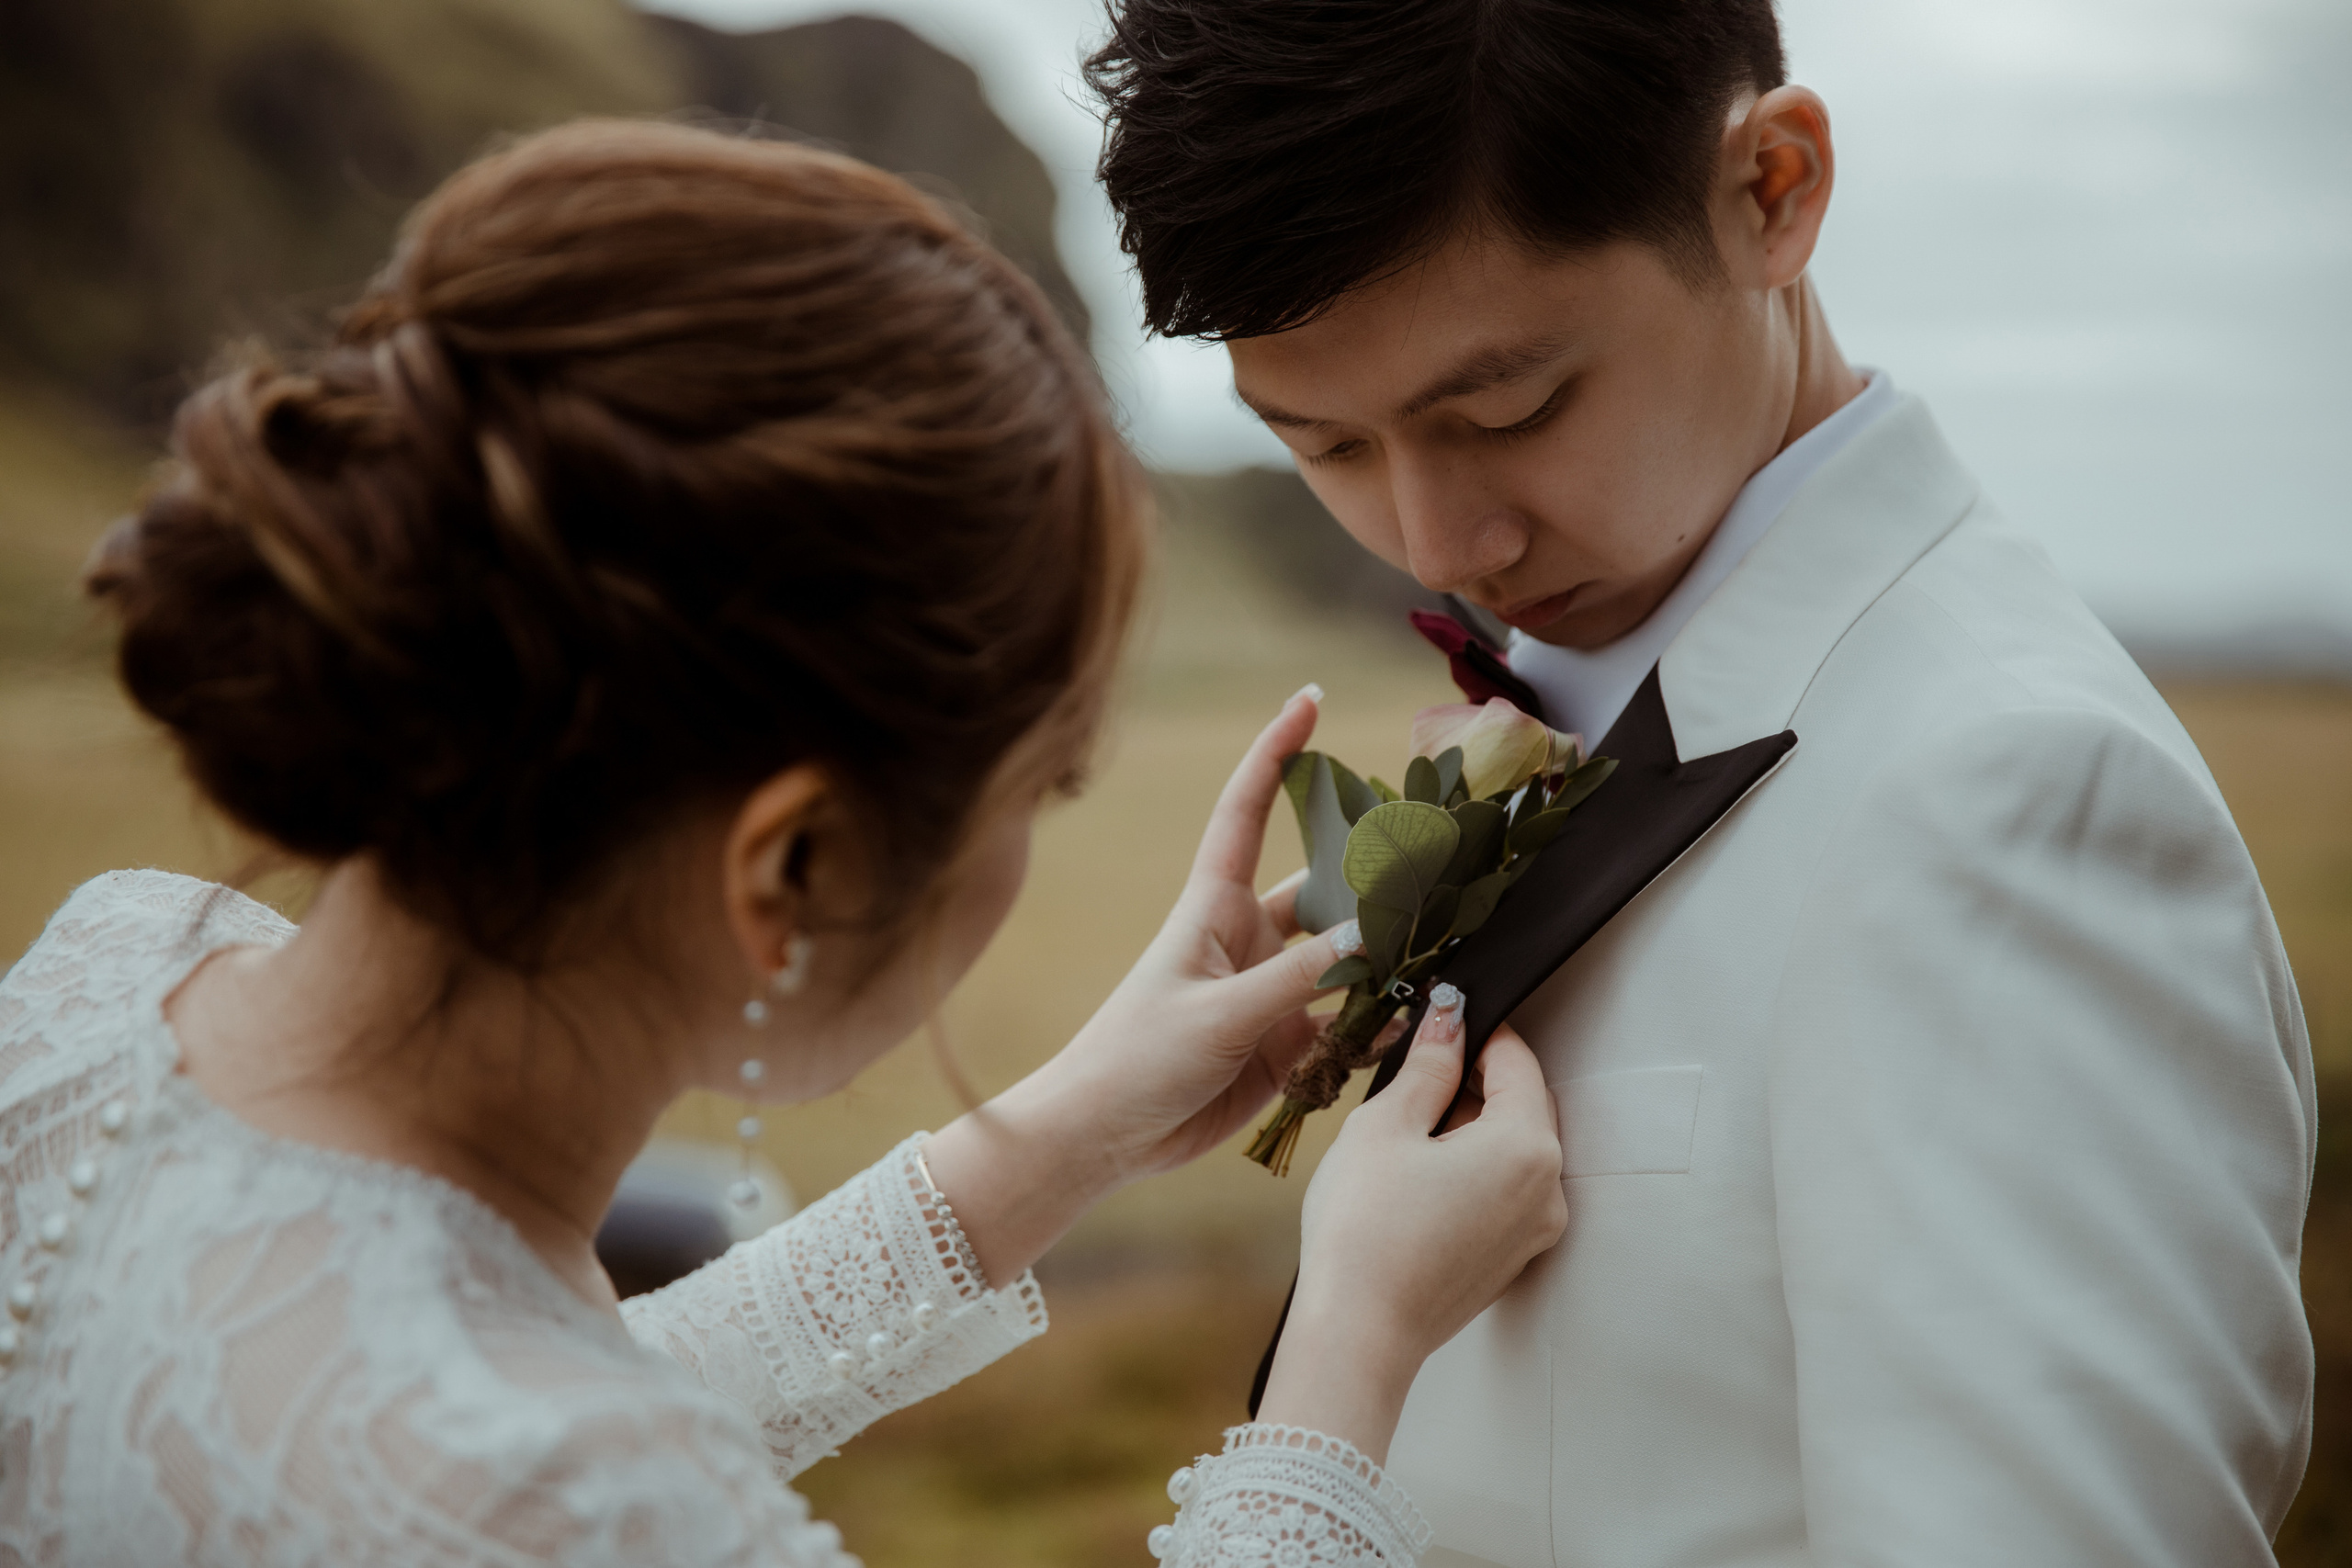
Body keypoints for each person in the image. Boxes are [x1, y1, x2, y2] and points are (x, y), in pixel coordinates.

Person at [0, 120, 1569, 1566]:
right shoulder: (591, 1502)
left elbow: (454, 1408)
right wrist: (1347, 1348)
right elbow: (527, 1462)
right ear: (793, 869)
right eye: (1040, 785)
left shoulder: (113, 972)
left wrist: (1061, 1135)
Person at [1089, 1, 2316, 1563]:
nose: (1442, 549)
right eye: (1322, 444)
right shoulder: (1611, 685)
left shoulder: (2016, 801)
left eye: (1511, 411)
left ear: (1774, 190)